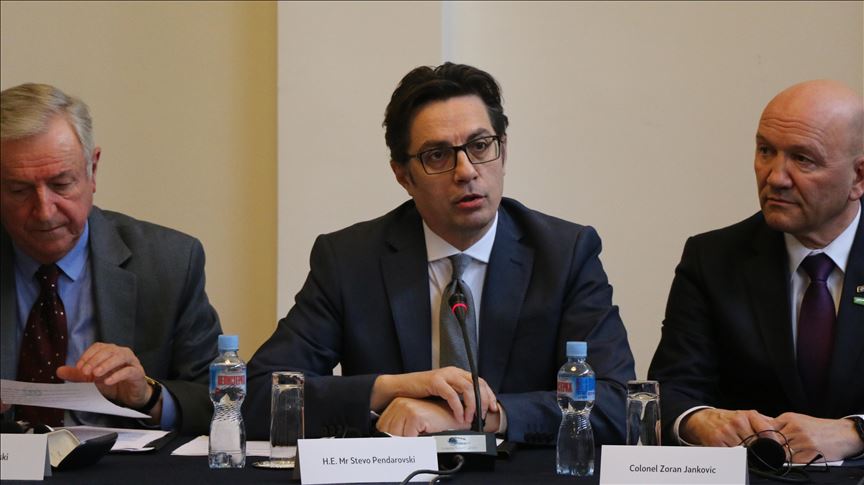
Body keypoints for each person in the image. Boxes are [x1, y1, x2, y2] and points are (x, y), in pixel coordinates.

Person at [245, 63, 635, 445]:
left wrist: (480, 417)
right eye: (437, 155)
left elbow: (617, 405)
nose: (466, 171)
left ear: (503, 152)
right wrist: (393, 389)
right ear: (403, 175)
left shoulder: (565, 255)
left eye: (480, 146)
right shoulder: (349, 260)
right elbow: (258, 396)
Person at [648, 80, 864, 462]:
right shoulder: (712, 258)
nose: (775, 177)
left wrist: (855, 431)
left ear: (858, 178)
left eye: (803, 159)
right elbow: (671, 391)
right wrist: (699, 421)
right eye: (766, 151)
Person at [1, 83, 222, 435]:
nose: (44, 211)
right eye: (19, 190)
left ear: (93, 169)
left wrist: (148, 396)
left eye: (61, 184)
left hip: (120, 461)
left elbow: (219, 401)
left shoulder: (169, 262)